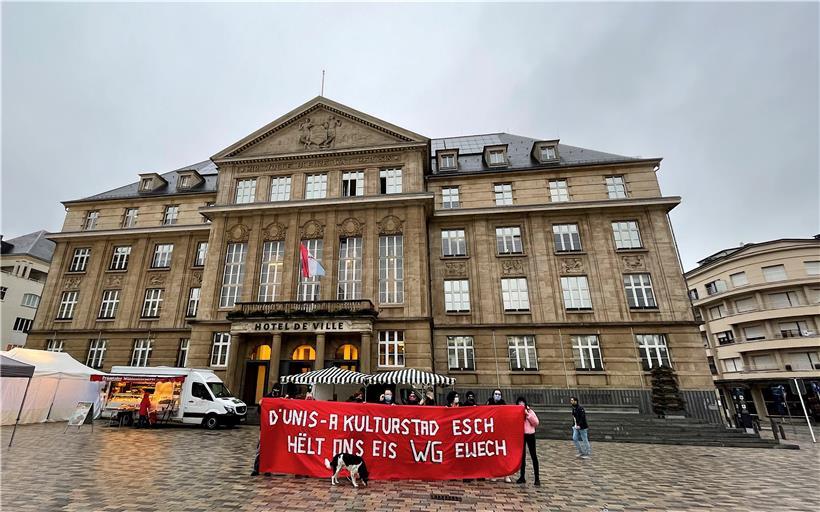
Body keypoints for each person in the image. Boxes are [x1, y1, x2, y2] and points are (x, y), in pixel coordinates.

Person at [516, 396, 540, 486]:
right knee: (522, 457)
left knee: (533, 455)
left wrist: (527, 415)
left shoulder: (530, 412)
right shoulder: (517, 413)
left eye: (523, 404)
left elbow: (536, 423)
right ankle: (522, 476)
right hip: (521, 435)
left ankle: (537, 478)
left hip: (530, 435)